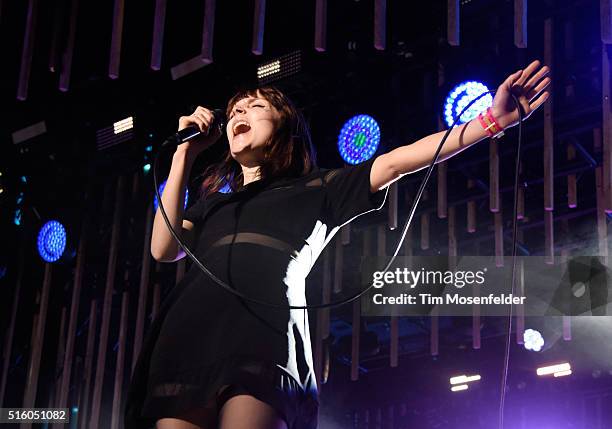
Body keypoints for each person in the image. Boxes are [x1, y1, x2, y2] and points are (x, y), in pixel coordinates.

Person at [124, 60, 551, 429]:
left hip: (262, 334)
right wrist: (186, 153)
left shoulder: (319, 187)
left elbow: (398, 160)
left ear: (285, 126)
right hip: (191, 333)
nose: (241, 111)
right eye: (236, 108)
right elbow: (163, 248)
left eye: (257, 106)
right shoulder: (212, 205)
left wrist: (491, 122)